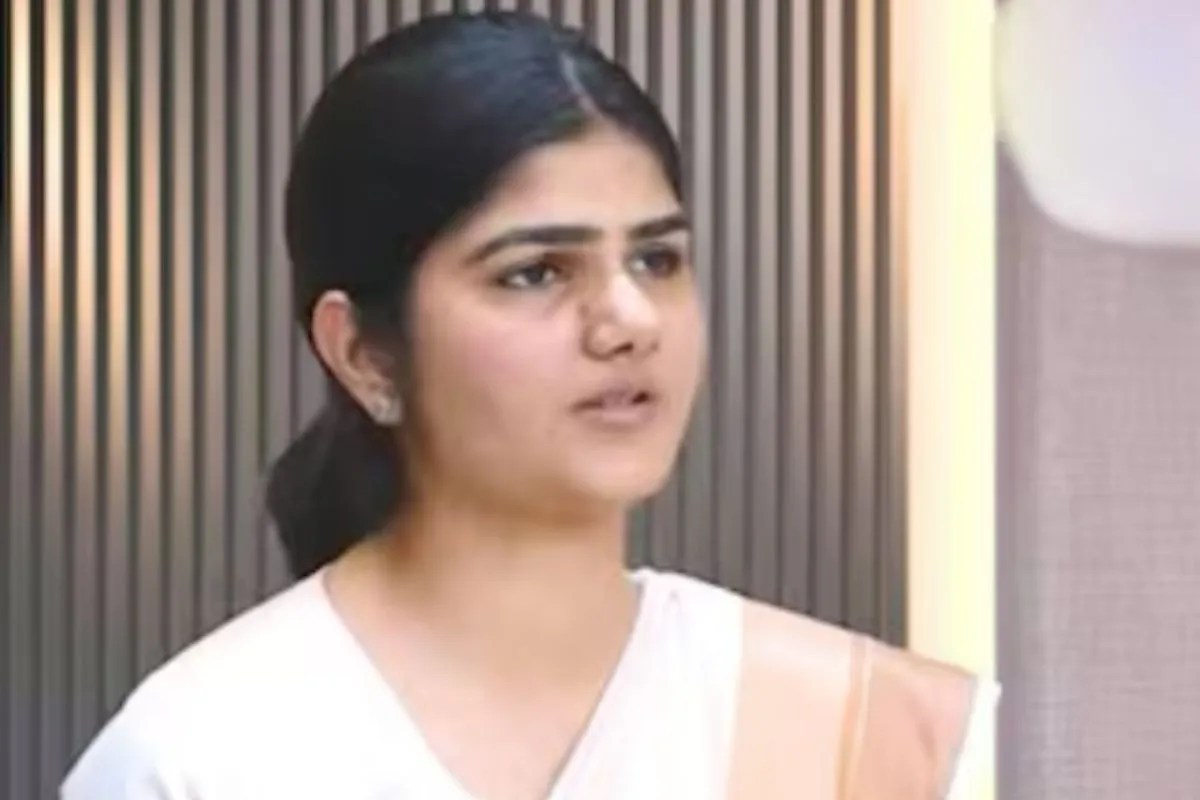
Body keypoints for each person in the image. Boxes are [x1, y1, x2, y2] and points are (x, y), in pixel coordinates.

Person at [61, 11, 997, 799]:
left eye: (657, 259)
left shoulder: (886, 742)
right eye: (536, 272)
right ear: (363, 353)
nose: (629, 320)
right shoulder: (201, 756)